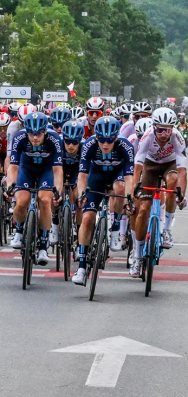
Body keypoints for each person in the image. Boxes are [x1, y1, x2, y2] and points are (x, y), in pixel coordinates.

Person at [72, 117, 134, 285]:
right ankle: (82, 267)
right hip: (96, 177)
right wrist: (82, 194)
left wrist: (129, 199)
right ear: (96, 137)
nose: (105, 144)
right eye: (102, 140)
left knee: (120, 188)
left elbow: (130, 178)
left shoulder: (125, 146)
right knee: (87, 218)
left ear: (116, 137)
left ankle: (115, 229)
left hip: (117, 175)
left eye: (110, 140)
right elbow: (82, 176)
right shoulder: (89, 145)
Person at [130, 106, 187, 274]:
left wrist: (181, 193)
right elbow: (138, 163)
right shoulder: (147, 136)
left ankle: (167, 230)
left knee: (173, 181)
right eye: (161, 130)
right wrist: (135, 185)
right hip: (150, 166)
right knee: (143, 209)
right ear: (154, 127)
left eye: (168, 130)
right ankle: (138, 256)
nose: (164, 134)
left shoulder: (177, 137)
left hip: (170, 165)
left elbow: (183, 170)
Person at [7, 111, 63, 265]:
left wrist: (57, 190)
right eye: (31, 133)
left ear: (45, 130)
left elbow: (58, 169)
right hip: (27, 170)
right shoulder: (20, 137)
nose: (35, 137)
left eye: (39, 133)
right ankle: (19, 230)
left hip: (46, 171)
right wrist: (10, 186)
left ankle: (44, 245)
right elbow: (13, 167)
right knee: (22, 201)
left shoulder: (54, 139)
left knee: (45, 200)